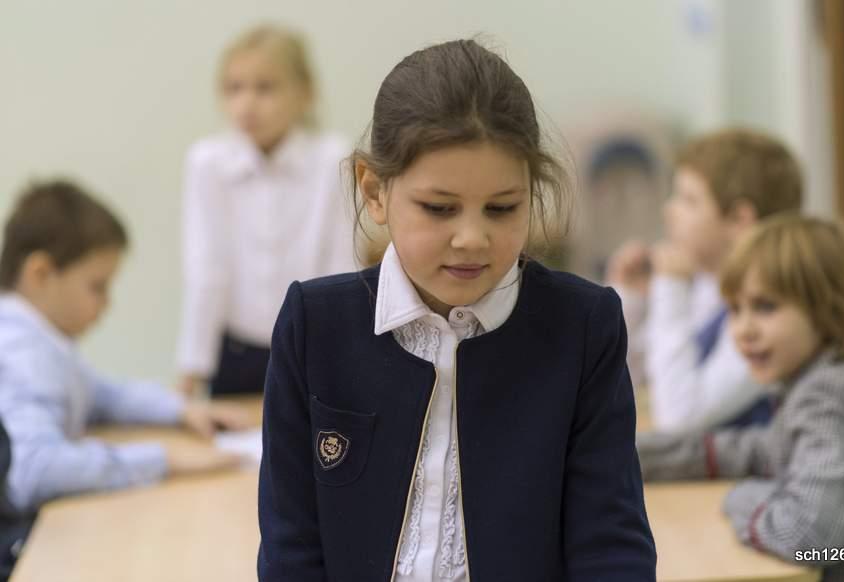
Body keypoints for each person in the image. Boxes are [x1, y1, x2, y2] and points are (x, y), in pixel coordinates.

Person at [257, 39, 656, 580]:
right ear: (374, 191)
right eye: (440, 208)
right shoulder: (314, 325)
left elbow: (610, 545)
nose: (472, 238)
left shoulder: (584, 327)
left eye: (502, 208)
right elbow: (291, 549)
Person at [638, 215, 844, 581]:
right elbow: (762, 450)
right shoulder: (827, 380)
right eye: (734, 309)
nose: (743, 330)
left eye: (764, 307)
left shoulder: (837, 396)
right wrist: (636, 454)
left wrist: (740, 497)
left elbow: (808, 539)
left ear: (829, 310)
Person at [0, 180, 245, 519]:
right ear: (40, 274)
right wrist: (164, 458)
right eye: (97, 286)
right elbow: (34, 470)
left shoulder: (42, 342)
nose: (107, 303)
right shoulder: (21, 352)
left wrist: (180, 410)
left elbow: (104, 395)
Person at [177, 24, 356, 397]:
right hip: (236, 353)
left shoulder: (333, 160)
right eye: (234, 88)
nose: (247, 103)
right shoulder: (207, 162)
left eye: (265, 88)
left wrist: (343, 354)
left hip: (312, 348)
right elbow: (206, 268)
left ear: (305, 93)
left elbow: (340, 263)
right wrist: (191, 368)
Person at [608, 128, 803, 432]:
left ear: (739, 219)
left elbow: (678, 418)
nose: (669, 210)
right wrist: (630, 300)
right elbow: (622, 384)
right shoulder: (708, 287)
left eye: (689, 200)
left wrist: (670, 291)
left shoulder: (768, 312)